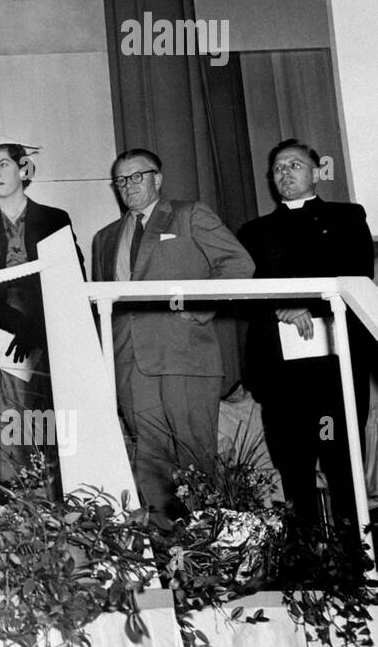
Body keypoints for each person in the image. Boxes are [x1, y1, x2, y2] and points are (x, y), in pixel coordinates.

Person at [90, 148, 254, 527]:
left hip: (184, 356)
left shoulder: (188, 214)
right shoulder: (105, 237)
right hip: (131, 363)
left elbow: (238, 263)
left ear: (157, 179)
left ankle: (208, 556)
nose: (128, 185)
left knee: (194, 461)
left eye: (137, 176)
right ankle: (168, 558)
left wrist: (196, 309)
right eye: (121, 180)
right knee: (150, 464)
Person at [237, 139, 375, 529]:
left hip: (335, 367)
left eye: (295, 165)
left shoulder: (347, 217)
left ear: (316, 173)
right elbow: (242, 293)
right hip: (281, 373)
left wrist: (307, 306)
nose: (285, 173)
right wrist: (279, 307)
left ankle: (354, 565)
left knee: (342, 461)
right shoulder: (254, 231)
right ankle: (306, 566)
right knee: (293, 468)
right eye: (278, 168)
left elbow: (359, 273)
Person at [0, 143, 82, 489]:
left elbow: (72, 278)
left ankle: (55, 500)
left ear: (22, 169)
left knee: (50, 417)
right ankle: (18, 503)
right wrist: (15, 323)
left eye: (4, 164)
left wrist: (38, 326)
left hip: (48, 326)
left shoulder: (54, 218)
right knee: (9, 418)